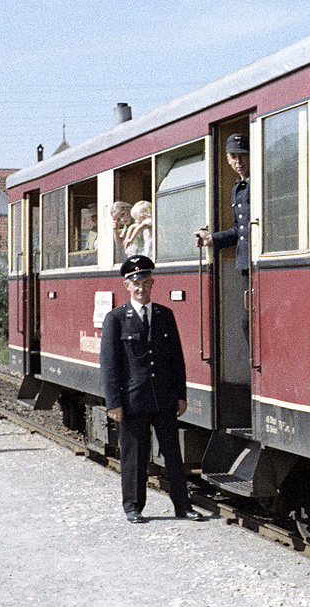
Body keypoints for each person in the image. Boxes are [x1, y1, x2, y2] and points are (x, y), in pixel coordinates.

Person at [100, 255, 204, 524]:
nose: (141, 288)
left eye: (145, 283)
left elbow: (176, 360)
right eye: (135, 283)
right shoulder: (116, 319)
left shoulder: (164, 316)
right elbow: (110, 366)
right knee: (134, 456)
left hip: (164, 399)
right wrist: (114, 403)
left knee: (173, 456)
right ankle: (133, 507)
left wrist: (181, 395)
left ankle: (183, 506)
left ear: (153, 283)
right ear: (126, 285)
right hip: (133, 401)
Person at [195, 133, 251, 341]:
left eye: (243, 155)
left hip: (259, 261)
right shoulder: (237, 189)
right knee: (247, 324)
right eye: (234, 157)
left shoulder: (257, 183)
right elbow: (239, 231)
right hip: (245, 264)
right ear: (227, 159)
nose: (239, 162)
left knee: (253, 322)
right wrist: (212, 239)